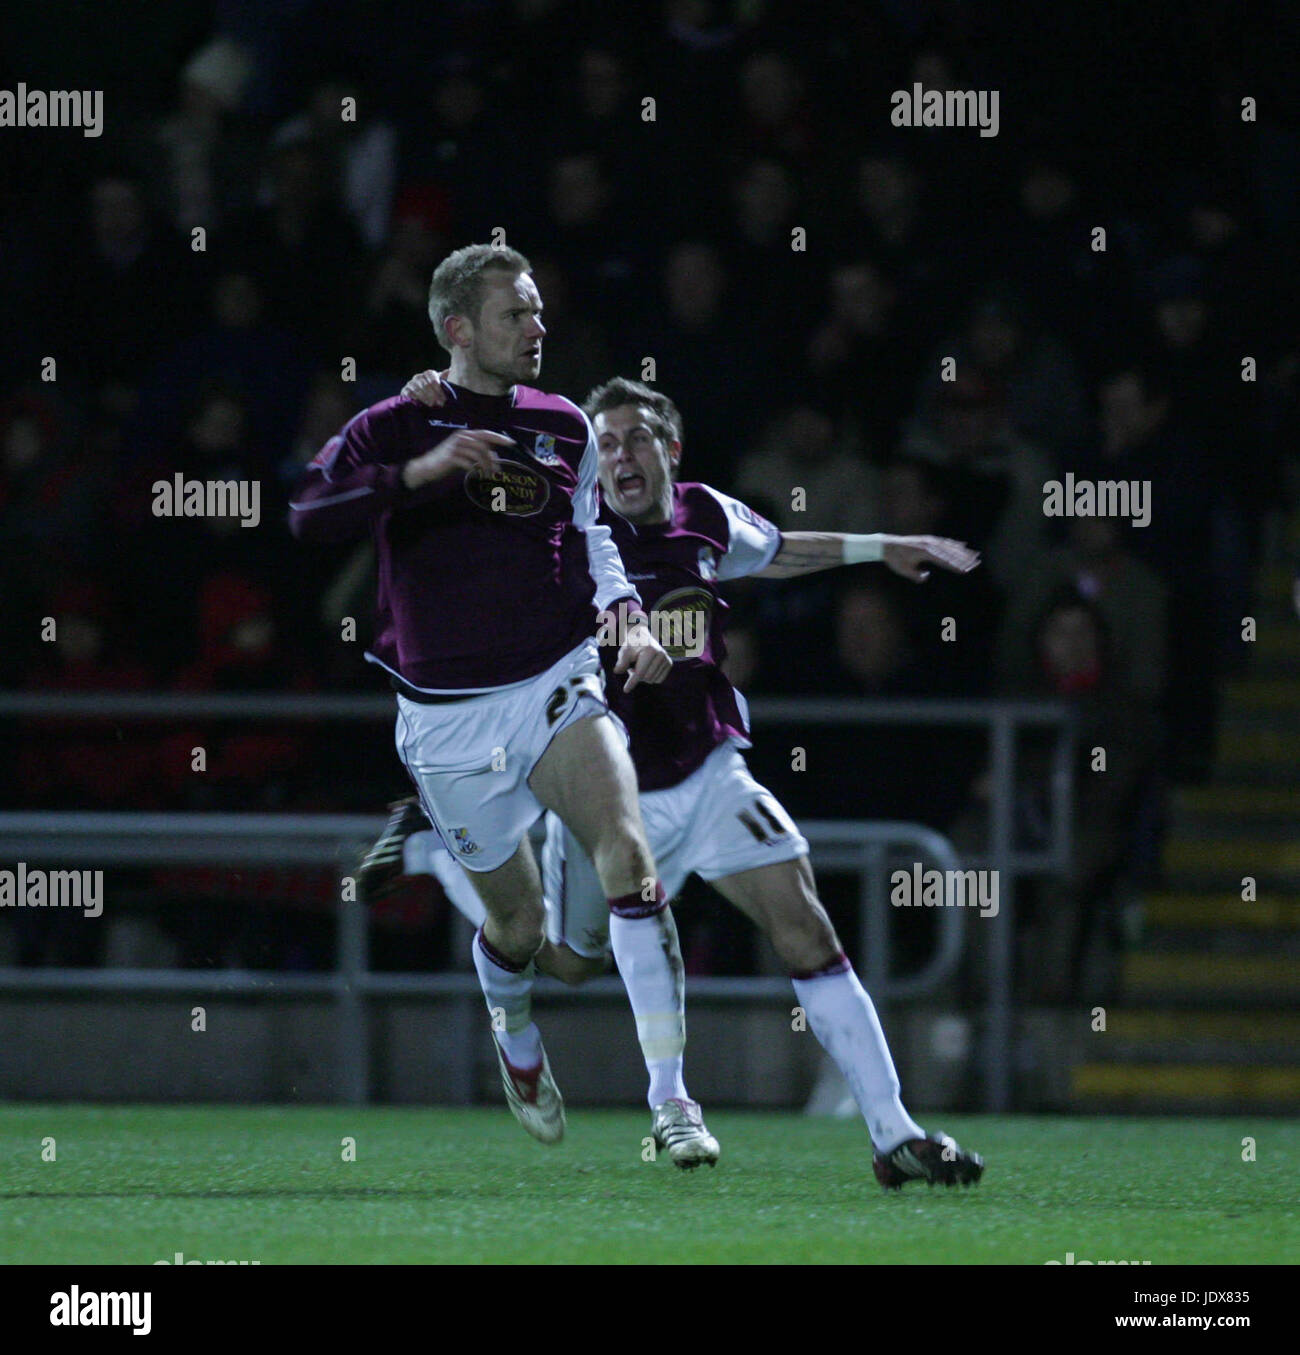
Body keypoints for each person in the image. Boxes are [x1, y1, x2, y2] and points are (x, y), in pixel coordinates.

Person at [363, 371, 986, 1190]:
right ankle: (441, 852)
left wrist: (882, 547)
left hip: (707, 770)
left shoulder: (705, 513)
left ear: (669, 449)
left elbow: (780, 550)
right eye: (605, 440)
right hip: (605, 790)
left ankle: (889, 1131)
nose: (619, 453)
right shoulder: (559, 535)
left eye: (635, 438)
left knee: (805, 922)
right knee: (564, 959)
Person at [289, 245, 684, 1151]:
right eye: (517, 314)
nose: (539, 328)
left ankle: (672, 1107)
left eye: (540, 311)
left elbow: (594, 537)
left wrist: (624, 609)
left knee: (629, 849)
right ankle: (514, 1034)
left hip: (554, 681)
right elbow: (307, 510)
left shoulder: (564, 424)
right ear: (458, 327)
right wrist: (418, 475)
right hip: (446, 715)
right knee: (521, 925)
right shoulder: (398, 422)